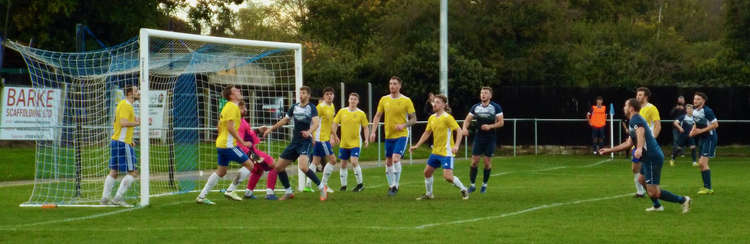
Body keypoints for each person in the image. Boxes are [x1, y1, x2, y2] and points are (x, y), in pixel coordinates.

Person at [599, 98, 691, 213]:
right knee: (641, 180)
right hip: (648, 157)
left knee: (654, 192)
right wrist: (610, 150)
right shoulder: (633, 120)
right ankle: (657, 206)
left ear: (631, 108)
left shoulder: (635, 119)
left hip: (652, 157)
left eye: (625, 105)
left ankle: (683, 200)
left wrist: (639, 148)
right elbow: (628, 143)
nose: (624, 108)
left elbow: (641, 132)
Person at [264, 86, 328, 201]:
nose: (301, 95)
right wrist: (271, 129)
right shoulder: (294, 107)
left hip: (305, 142)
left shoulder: (312, 108)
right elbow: (285, 120)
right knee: (278, 167)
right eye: (300, 93)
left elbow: (316, 123)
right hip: (295, 142)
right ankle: (288, 192)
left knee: (303, 167)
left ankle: (322, 187)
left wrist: (308, 132)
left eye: (303, 93)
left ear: (308, 95)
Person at [196, 85, 255, 205]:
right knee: (250, 165)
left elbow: (219, 125)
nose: (239, 91)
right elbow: (230, 127)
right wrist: (242, 142)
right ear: (232, 95)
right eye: (236, 90)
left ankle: (201, 196)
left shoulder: (228, 106)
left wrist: (221, 138)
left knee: (221, 172)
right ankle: (231, 190)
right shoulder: (232, 107)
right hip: (229, 145)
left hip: (222, 144)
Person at [410, 95, 469, 200]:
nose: (434, 104)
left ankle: (463, 189)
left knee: (448, 177)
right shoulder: (432, 118)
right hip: (436, 151)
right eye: (434, 102)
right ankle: (429, 194)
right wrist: (417, 145)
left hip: (446, 152)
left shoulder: (447, 118)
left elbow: (459, 131)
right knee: (427, 172)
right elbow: (427, 133)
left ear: (443, 105)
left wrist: (456, 145)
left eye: (437, 102)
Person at [369, 76, 417, 196]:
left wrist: (404, 125)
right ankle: (391, 186)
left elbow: (414, 119)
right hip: (389, 135)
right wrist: (373, 131)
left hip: (402, 134)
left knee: (396, 158)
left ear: (400, 86)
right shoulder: (384, 99)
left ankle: (396, 185)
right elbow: (377, 116)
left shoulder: (406, 100)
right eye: (390, 83)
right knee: (388, 162)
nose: (392, 86)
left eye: (395, 84)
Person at [101, 85, 140, 207]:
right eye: (136, 91)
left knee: (114, 171)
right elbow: (123, 123)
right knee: (133, 172)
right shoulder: (125, 105)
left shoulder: (125, 105)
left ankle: (105, 199)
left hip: (117, 141)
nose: (138, 92)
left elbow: (119, 125)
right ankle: (118, 198)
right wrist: (137, 123)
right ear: (129, 93)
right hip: (122, 143)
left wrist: (131, 139)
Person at [231, 101, 278, 200]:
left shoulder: (242, 121)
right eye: (242, 108)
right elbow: (239, 141)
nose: (245, 110)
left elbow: (247, 134)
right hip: (251, 153)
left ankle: (248, 192)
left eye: (245, 107)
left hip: (250, 152)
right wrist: (248, 153)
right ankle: (270, 193)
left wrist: (257, 130)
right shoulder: (238, 122)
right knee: (273, 165)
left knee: (258, 170)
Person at [460, 86, 504, 194]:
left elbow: (501, 122)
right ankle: (472, 185)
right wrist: (464, 128)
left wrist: (490, 126)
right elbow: (467, 120)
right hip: (479, 137)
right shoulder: (475, 107)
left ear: (490, 95)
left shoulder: (496, 107)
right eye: (481, 93)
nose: (483, 95)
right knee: (474, 161)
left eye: (485, 93)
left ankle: (484, 184)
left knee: (487, 162)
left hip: (490, 138)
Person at [331, 92, 370, 192]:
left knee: (353, 161)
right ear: (348, 100)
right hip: (344, 143)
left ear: (358, 101)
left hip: (355, 142)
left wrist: (366, 139)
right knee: (343, 164)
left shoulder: (361, 113)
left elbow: (365, 127)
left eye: (355, 99)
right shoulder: (342, 111)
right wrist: (333, 136)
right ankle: (343, 186)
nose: (352, 101)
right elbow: (335, 124)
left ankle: (360, 184)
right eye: (351, 99)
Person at [631, 87, 660, 198]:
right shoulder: (635, 110)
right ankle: (640, 191)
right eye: (637, 94)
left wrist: (652, 139)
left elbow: (657, 125)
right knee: (635, 167)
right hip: (637, 144)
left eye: (640, 95)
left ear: (646, 96)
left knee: (645, 168)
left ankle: (651, 189)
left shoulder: (651, 108)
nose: (638, 96)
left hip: (647, 144)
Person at [309, 87, 338, 193]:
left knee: (315, 161)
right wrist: (312, 136)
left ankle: (307, 185)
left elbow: (330, 124)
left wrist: (334, 135)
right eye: (327, 94)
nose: (329, 96)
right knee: (333, 160)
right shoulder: (320, 107)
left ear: (333, 96)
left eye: (331, 94)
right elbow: (313, 122)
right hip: (321, 139)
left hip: (324, 138)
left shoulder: (332, 106)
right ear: (324, 96)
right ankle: (324, 185)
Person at [689, 92, 718, 195]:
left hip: (710, 138)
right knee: (701, 164)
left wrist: (700, 131)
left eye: (698, 99)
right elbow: (696, 123)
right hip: (703, 139)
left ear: (703, 101)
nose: (695, 101)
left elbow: (715, 124)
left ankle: (708, 188)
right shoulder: (695, 111)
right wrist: (693, 130)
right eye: (694, 99)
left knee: (702, 163)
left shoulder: (708, 111)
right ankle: (706, 187)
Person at [669, 96, 687, 162]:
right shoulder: (675, 107)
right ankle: (674, 153)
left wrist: (683, 109)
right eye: (679, 100)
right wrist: (675, 109)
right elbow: (670, 114)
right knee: (676, 139)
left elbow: (688, 115)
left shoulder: (686, 108)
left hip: (683, 126)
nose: (681, 101)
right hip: (675, 127)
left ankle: (682, 153)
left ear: (684, 101)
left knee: (683, 139)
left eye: (682, 100)